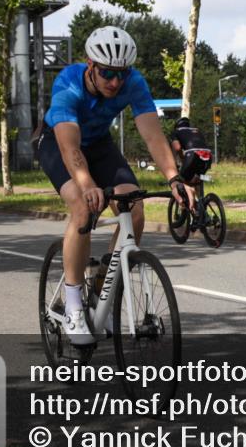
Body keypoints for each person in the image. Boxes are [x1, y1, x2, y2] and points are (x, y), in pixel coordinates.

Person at [37, 26, 194, 345]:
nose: (115, 82)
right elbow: (70, 149)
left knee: (134, 209)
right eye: (107, 73)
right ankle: (73, 305)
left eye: (121, 74)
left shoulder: (133, 83)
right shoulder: (68, 83)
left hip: (99, 145)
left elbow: (152, 135)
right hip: (58, 143)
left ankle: (101, 290)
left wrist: (173, 178)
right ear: (90, 65)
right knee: (82, 208)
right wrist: (87, 184)